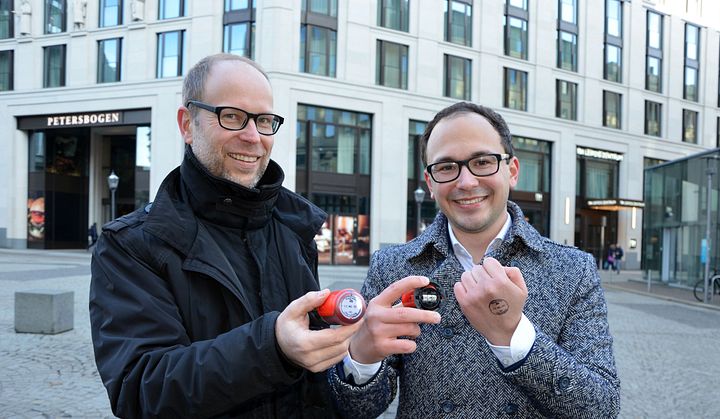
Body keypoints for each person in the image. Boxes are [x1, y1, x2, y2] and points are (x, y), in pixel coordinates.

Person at [89, 53, 361, 417]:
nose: (253, 137)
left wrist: (361, 350)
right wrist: (272, 347)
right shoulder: (130, 245)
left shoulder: (294, 228)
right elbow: (140, 390)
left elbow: (314, 385)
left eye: (264, 120)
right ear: (188, 124)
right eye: (232, 116)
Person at [328, 102, 620, 418]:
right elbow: (354, 410)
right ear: (430, 183)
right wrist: (362, 357)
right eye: (446, 167)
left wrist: (514, 336)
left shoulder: (572, 270)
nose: (466, 182)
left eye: (482, 162)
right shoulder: (392, 266)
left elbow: (601, 408)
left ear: (512, 171)